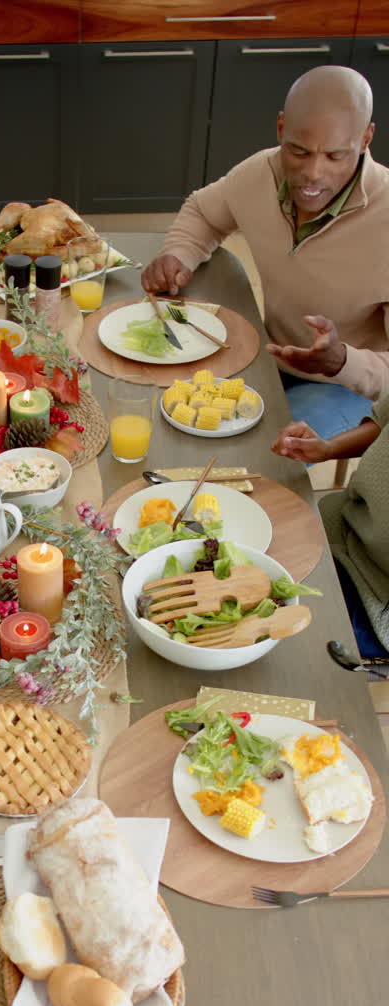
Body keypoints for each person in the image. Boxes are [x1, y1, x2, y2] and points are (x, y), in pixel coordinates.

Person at [141, 66, 389, 442]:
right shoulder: (261, 172)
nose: (312, 174)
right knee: (158, 407)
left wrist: (342, 361)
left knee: (263, 452)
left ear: (367, 138)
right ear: (280, 128)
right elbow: (204, 211)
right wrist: (178, 254)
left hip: (345, 386)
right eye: (298, 151)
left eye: (336, 156)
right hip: (267, 354)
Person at [272, 412, 389, 659]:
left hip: (377, 603)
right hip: (342, 520)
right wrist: (328, 448)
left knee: (282, 643)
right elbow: (385, 418)